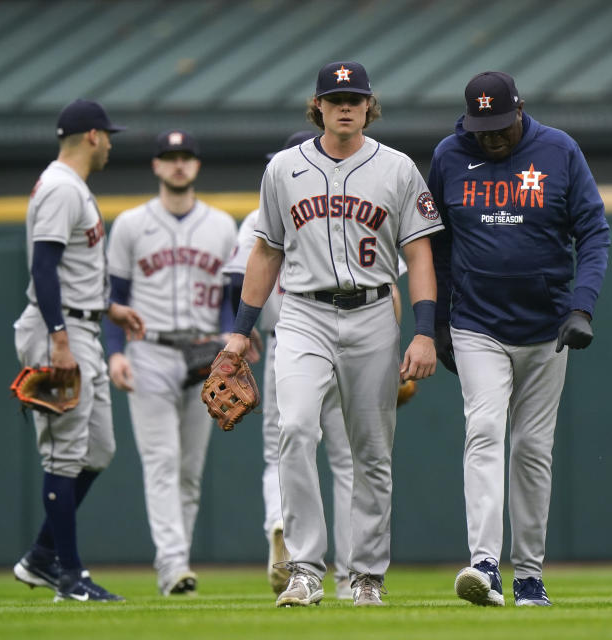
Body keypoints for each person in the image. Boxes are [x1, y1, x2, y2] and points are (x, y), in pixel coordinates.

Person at [220, 61, 443, 608]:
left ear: (370, 105)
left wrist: (424, 332)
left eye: (355, 97)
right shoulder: (282, 168)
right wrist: (240, 333)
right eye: (335, 97)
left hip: (372, 314)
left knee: (371, 452)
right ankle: (303, 568)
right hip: (303, 314)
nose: (345, 105)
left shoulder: (397, 168)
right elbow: (266, 250)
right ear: (316, 106)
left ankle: (366, 574)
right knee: (294, 430)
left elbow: (418, 253)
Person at [428, 72, 611, 607]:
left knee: (532, 449)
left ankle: (530, 576)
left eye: (501, 127)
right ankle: (485, 565)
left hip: (546, 330)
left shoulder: (558, 150)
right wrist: (437, 321)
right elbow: (434, 244)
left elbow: (594, 231)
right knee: (483, 429)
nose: (492, 138)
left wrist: (583, 306)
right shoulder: (447, 156)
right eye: (481, 128)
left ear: (521, 111)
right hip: (477, 323)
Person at [12, 98, 144, 602]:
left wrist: (107, 309)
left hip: (81, 325)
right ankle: (69, 575)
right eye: (108, 134)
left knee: (99, 448)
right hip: (59, 333)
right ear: (92, 136)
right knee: (65, 454)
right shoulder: (62, 189)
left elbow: (68, 270)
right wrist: (60, 340)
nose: (110, 142)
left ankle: (43, 555)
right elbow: (43, 269)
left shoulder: (72, 188)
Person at [104, 130, 239, 596]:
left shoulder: (222, 225)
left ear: (196, 166)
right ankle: (174, 564)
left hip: (206, 354)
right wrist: (115, 352)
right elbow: (114, 299)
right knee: (162, 461)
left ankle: (174, 562)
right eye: (169, 157)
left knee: (190, 469)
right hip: (151, 350)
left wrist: (229, 336)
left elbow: (228, 296)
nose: (178, 164)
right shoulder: (129, 224)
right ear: (156, 166)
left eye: (185, 157)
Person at [224, 129, 355, 600]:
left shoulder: (260, 216)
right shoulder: (345, 205)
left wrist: (240, 331)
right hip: (351, 339)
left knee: (284, 449)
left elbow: (237, 281)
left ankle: (283, 528)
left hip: (287, 344)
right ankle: (351, 573)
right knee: (348, 460)